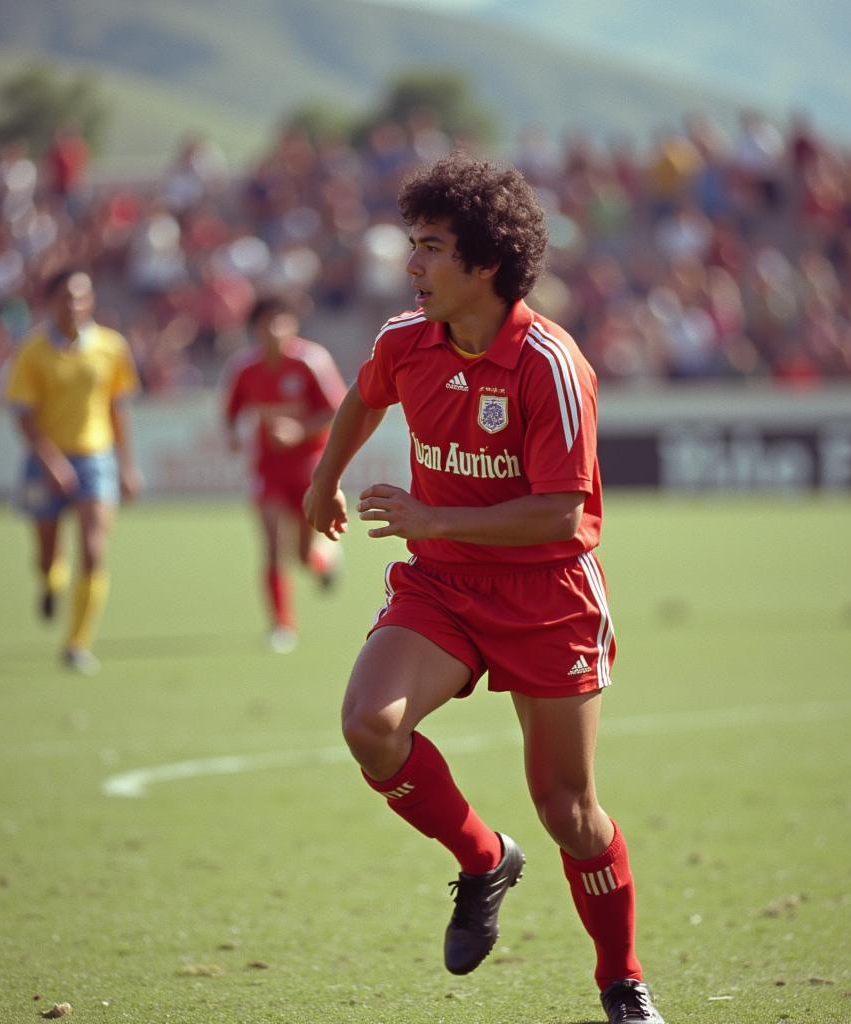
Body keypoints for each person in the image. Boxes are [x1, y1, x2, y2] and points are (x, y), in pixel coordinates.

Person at [304, 153, 665, 1023]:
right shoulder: (406, 341)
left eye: (430, 248)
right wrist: (322, 485)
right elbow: (362, 400)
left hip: (548, 595)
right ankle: (481, 859)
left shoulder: (550, 364)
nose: (412, 266)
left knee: (569, 810)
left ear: (486, 266)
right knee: (369, 728)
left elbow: (556, 515)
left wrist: (432, 519)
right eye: (411, 246)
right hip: (445, 587)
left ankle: (622, 981)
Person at [4, 266, 142, 675]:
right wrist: (50, 460)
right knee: (48, 554)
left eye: (81, 296)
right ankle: (51, 582)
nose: (74, 304)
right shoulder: (32, 350)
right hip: (45, 458)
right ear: (49, 302)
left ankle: (76, 643)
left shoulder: (110, 346)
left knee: (95, 551)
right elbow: (24, 414)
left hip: (96, 457)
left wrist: (127, 465)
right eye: (65, 296)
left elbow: (118, 408)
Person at [222, 296, 347, 652]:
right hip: (268, 470)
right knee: (274, 545)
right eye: (266, 324)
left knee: (303, 555)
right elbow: (231, 409)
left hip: (310, 470)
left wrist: (299, 432)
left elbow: (337, 412)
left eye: (281, 322)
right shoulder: (245, 368)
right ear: (255, 330)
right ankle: (282, 626)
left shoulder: (311, 361)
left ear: (293, 325)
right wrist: (231, 435)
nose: (274, 330)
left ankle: (324, 560)